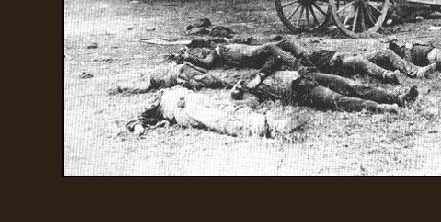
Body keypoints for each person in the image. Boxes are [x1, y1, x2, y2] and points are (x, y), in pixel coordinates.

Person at [180, 37, 433, 84]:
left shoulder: (282, 47)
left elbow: (285, 45)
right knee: (359, 62)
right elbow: (207, 64)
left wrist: (300, 55)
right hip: (333, 60)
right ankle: (388, 76)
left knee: (385, 53)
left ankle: (415, 71)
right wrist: (188, 58)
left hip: (328, 55)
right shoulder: (274, 56)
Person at [126, 85, 307, 138]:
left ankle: (271, 122)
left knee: (230, 109)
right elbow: (137, 119)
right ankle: (263, 129)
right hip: (183, 109)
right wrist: (137, 127)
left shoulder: (174, 87)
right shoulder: (157, 101)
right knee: (218, 119)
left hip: (196, 98)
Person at [230, 68, 418, 113]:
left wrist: (260, 75)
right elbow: (250, 105)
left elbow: (275, 57)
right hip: (302, 91)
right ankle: (382, 107)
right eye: (239, 86)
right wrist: (235, 96)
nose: (240, 84)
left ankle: (399, 98)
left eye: (239, 82)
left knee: (352, 86)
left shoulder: (260, 73)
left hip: (309, 76)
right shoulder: (256, 93)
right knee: (338, 100)